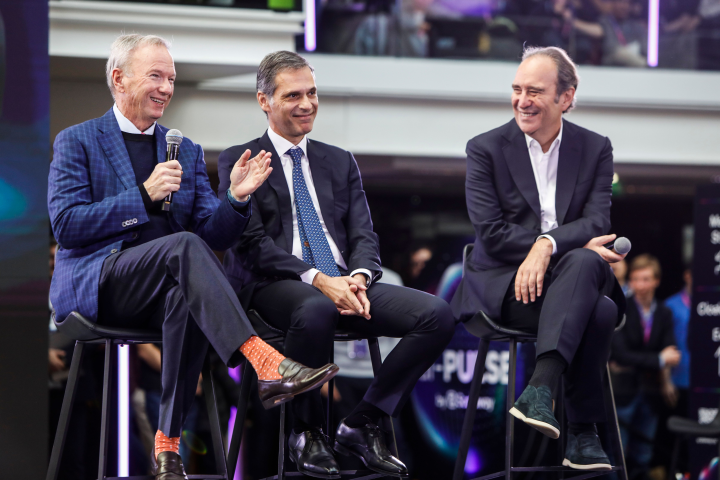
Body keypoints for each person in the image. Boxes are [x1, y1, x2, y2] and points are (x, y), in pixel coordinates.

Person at [48, 34, 338, 480]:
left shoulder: (183, 148)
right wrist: (142, 196)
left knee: (187, 282)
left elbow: (212, 232)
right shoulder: (78, 141)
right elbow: (67, 226)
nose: (166, 87)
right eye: (156, 76)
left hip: (165, 287)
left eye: (172, 79)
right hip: (100, 281)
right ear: (118, 79)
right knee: (183, 248)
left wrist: (237, 199)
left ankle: (168, 446)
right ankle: (263, 361)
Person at [217, 50, 455, 479]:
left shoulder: (339, 160)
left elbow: (364, 234)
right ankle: (307, 432)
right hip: (276, 283)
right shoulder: (240, 158)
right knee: (317, 306)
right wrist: (320, 280)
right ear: (264, 101)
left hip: (346, 282)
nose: (307, 104)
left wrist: (359, 277)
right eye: (293, 96)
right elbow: (251, 245)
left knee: (437, 315)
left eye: (311, 92)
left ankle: (363, 422)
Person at [451, 45, 627, 470]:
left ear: (565, 98)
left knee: (588, 272)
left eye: (535, 91)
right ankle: (582, 435)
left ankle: (541, 389)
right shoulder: (485, 148)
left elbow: (597, 222)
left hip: (566, 283)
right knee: (597, 309)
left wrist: (545, 246)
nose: (522, 101)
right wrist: (554, 245)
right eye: (517, 89)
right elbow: (491, 234)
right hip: (507, 288)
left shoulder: (595, 147)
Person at [609, 254, 679, 479]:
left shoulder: (664, 312)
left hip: (651, 391)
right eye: (636, 279)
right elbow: (620, 354)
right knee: (616, 455)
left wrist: (666, 378)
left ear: (656, 281)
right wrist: (658, 359)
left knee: (643, 454)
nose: (641, 285)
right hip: (622, 392)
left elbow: (671, 350)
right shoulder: (620, 307)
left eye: (646, 279)